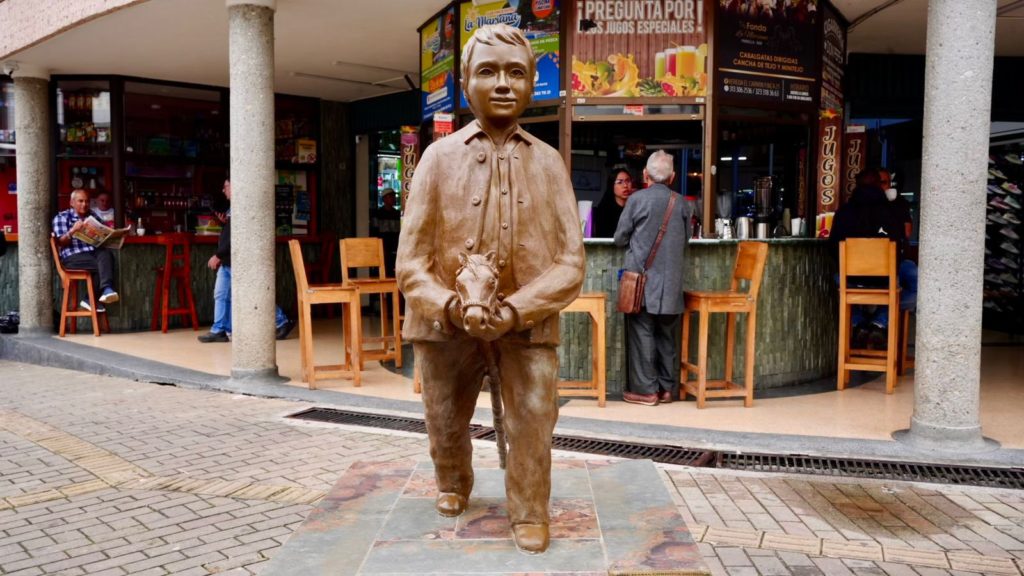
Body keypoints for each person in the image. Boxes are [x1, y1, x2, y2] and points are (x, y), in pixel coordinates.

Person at [396, 24, 584, 554]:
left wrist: (517, 310)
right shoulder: (437, 159)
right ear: (464, 84)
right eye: (488, 71)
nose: (503, 83)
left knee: (534, 414)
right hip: (445, 320)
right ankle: (453, 480)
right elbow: (410, 262)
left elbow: (572, 263)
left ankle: (529, 508)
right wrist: (449, 306)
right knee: (443, 415)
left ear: (531, 86)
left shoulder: (549, 162)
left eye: (516, 73)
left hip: (526, 323)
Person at [614, 151, 691, 406]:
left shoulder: (636, 200)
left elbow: (619, 238)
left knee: (642, 333)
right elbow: (686, 240)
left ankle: (647, 391)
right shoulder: (682, 203)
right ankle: (667, 390)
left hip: (642, 283)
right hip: (671, 284)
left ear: (645, 175)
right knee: (667, 334)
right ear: (673, 177)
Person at [198, 178, 293, 343]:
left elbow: (237, 236)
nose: (223, 190)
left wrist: (218, 255)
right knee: (221, 294)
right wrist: (224, 223)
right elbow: (231, 233)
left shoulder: (242, 207)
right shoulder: (233, 209)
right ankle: (219, 329)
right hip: (229, 259)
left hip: (239, 259)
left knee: (254, 294)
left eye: (226, 186)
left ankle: (281, 320)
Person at [830, 168, 912, 345]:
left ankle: (858, 323)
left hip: (851, 280)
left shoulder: (843, 213)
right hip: (885, 281)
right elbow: (900, 246)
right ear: (878, 185)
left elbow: (833, 247)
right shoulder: (892, 212)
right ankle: (879, 322)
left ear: (856, 186)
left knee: (836, 279)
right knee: (906, 284)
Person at [52, 189, 120, 312]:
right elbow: (61, 242)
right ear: (72, 202)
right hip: (72, 257)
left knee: (106, 254)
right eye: (80, 201)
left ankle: (94, 296)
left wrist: (110, 237)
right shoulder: (62, 217)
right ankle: (100, 293)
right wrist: (73, 231)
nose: (84, 204)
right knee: (104, 265)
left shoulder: (92, 216)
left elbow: (103, 231)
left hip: (92, 254)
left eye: (87, 201)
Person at [592, 168, 635, 238]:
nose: (625, 185)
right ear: (611, 185)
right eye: (620, 182)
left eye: (628, 181)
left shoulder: (635, 208)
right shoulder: (604, 210)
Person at [369, 187, 401, 277]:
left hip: (395, 249)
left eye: (394, 196)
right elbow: (374, 233)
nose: (394, 198)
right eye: (391, 196)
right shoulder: (377, 214)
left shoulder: (397, 214)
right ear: (384, 199)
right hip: (383, 249)